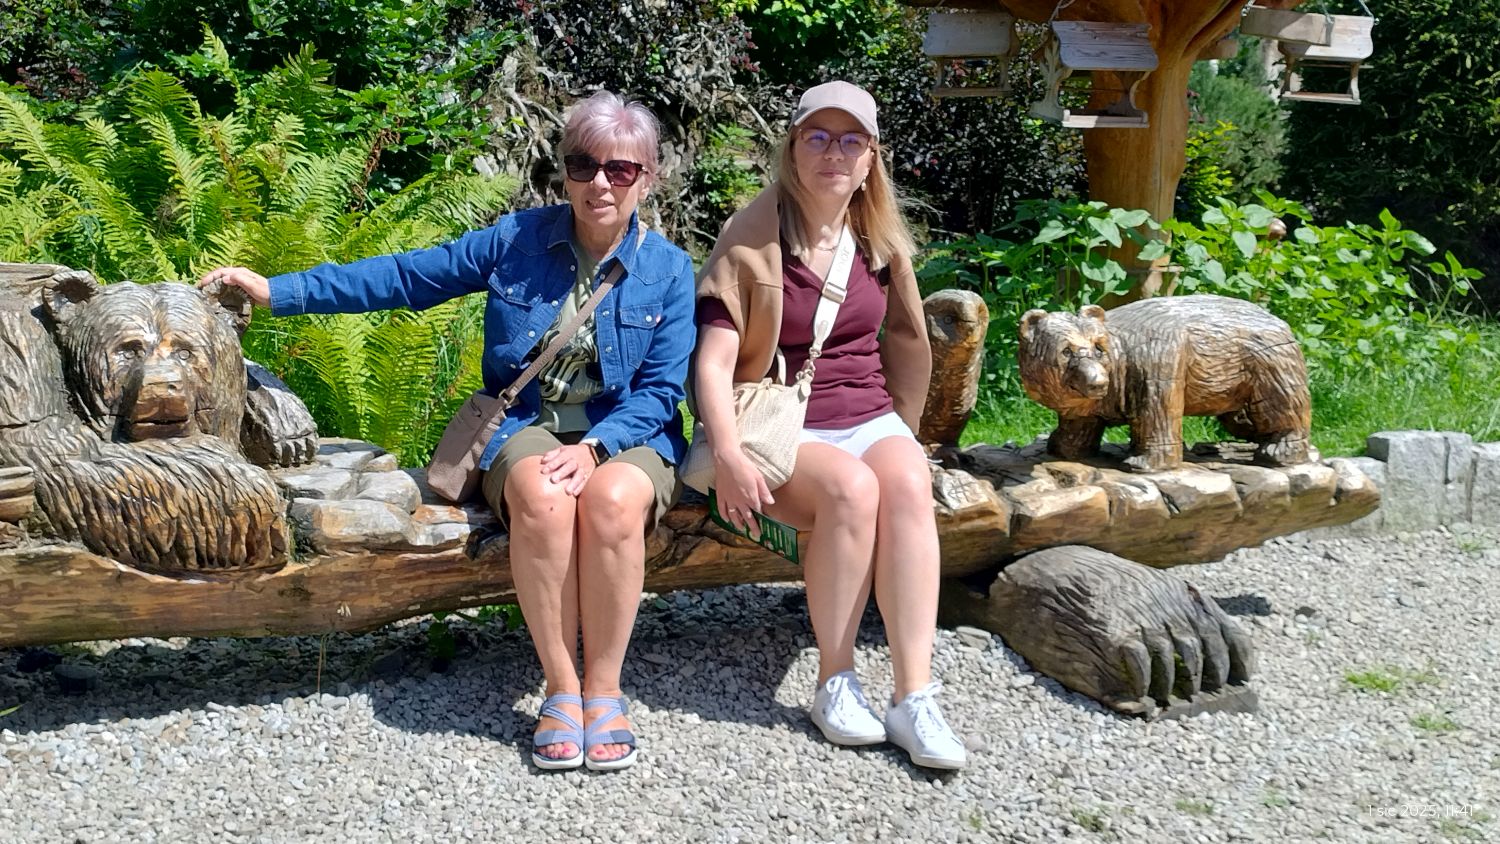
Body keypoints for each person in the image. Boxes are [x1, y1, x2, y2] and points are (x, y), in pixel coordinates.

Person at [200, 91, 694, 773]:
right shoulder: (516, 241)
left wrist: (596, 449)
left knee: (611, 501)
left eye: (621, 169)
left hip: (627, 433)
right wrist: (279, 291)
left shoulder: (668, 269)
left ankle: (604, 690)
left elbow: (663, 391)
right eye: (584, 165)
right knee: (544, 499)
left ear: (649, 177)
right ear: (565, 170)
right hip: (528, 423)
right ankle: (561, 688)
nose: (600, 184)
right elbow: (407, 276)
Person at [693, 81, 966, 769]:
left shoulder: (878, 241)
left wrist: (905, 429)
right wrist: (726, 454)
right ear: (792, 149)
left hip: (866, 412)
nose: (833, 153)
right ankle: (835, 681)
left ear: (871, 158)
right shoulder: (752, 239)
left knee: (908, 480)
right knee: (851, 489)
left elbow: (903, 339)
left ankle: (913, 695)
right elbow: (713, 362)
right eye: (817, 137)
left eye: (851, 141)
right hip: (781, 425)